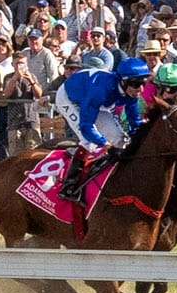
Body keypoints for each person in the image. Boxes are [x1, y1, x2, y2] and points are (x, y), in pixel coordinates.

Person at [52, 57, 151, 202]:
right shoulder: (100, 91)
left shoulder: (131, 92)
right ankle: (69, 186)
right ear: (123, 82)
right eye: (136, 84)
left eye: (143, 83)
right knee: (88, 141)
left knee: (120, 140)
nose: (140, 89)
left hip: (99, 103)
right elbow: (86, 126)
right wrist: (105, 144)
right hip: (69, 99)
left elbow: (134, 122)